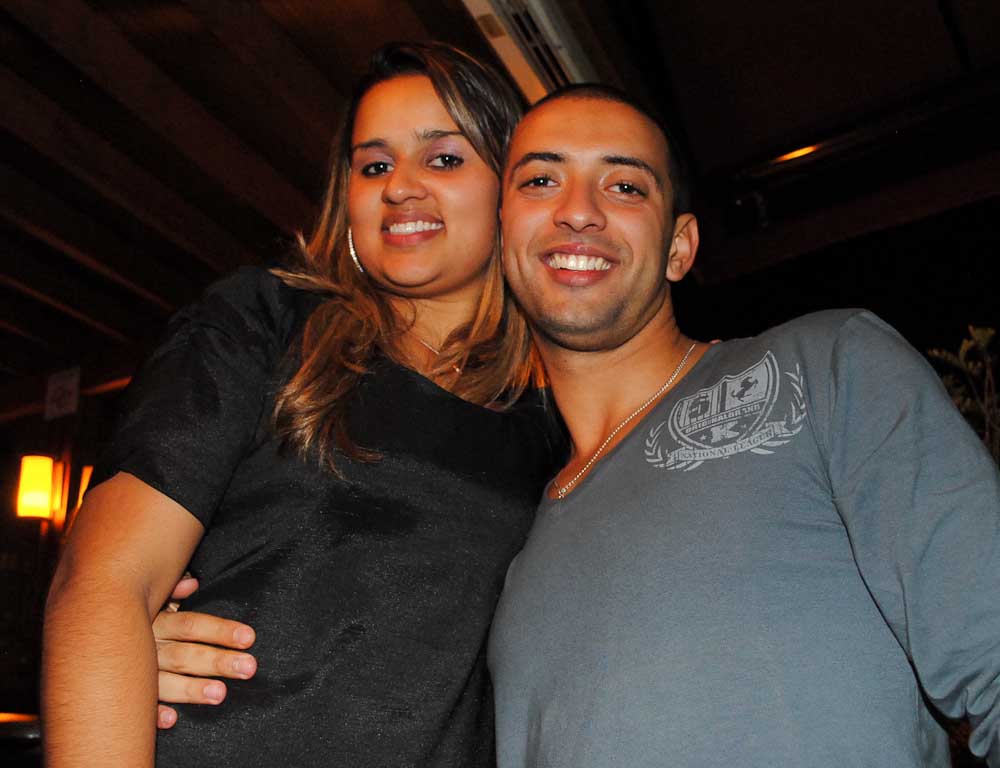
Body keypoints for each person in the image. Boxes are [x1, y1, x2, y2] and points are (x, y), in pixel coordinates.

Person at [161, 83, 1000, 766]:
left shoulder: (825, 367)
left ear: (680, 247)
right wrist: (162, 652)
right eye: (540, 180)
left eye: (624, 185)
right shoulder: (510, 531)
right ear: (503, 236)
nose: (579, 211)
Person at [41, 43, 565, 768]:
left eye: (444, 159)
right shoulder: (267, 323)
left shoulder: (553, 427)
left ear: (511, 191)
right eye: (373, 166)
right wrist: (128, 649)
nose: (400, 187)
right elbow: (103, 585)